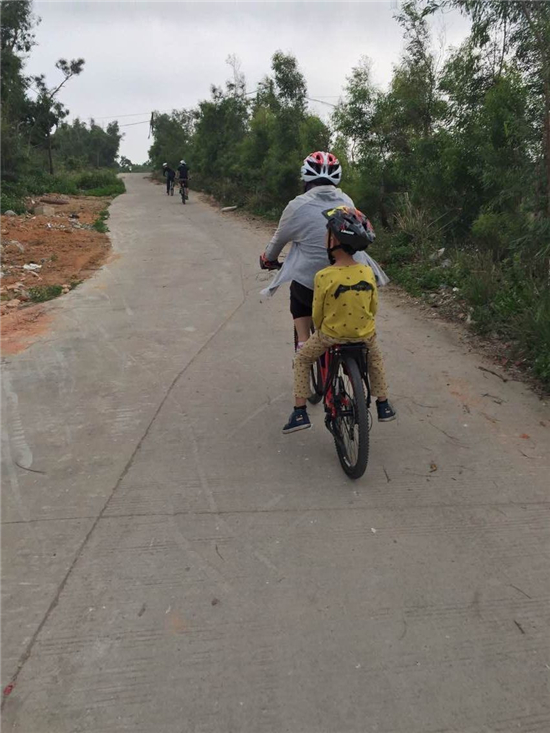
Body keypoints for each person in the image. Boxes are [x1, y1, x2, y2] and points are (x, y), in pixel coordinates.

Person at [283, 205, 396, 434]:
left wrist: (321, 331)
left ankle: (300, 412)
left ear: (333, 239)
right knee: (375, 361)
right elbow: (373, 307)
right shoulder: (367, 272)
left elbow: (318, 313)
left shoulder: (324, 275)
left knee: (303, 359)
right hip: (364, 334)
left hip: (330, 335)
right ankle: (383, 405)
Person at [260, 151, 388, 350]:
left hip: (312, 285)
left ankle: (303, 344)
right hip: (356, 277)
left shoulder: (296, 206)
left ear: (305, 179)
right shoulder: (347, 201)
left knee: (298, 292)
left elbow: (278, 241)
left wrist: (268, 259)